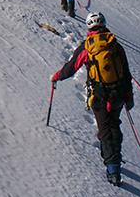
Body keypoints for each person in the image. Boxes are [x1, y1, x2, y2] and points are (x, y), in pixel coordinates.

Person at [50, 12, 134, 185]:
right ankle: (112, 156)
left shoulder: (88, 47)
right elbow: (126, 73)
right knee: (114, 124)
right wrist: (129, 97)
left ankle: (113, 169)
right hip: (118, 94)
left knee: (104, 130)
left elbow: (71, 67)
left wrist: (56, 76)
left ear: (89, 27)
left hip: (100, 96)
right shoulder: (115, 45)